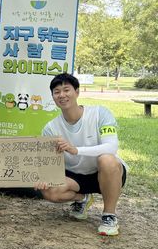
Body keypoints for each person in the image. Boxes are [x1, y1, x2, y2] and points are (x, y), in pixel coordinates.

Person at [34, 74, 126, 236]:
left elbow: (111, 147)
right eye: (57, 92)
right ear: (53, 97)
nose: (62, 95)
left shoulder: (100, 114)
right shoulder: (50, 128)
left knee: (107, 159)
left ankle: (109, 215)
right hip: (76, 177)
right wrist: (43, 177)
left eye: (66, 90)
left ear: (77, 92)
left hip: (106, 173)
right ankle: (82, 198)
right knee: (50, 191)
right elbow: (47, 162)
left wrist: (76, 150)